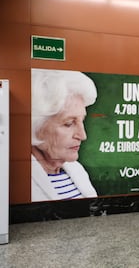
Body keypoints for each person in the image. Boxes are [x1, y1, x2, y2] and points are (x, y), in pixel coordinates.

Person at [31, 68, 98, 202]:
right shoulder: (14, 178)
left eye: (81, 121)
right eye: (69, 123)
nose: (83, 135)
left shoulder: (77, 169)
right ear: (35, 125)